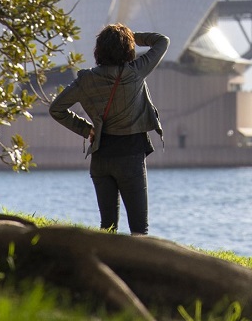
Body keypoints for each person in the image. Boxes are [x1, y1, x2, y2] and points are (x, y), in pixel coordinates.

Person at [48, 24, 170, 235]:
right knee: (139, 230)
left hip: (101, 158)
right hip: (130, 156)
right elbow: (162, 41)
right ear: (128, 49)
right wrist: (131, 36)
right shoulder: (135, 72)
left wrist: (86, 129)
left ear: (98, 50)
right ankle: (135, 268)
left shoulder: (86, 80)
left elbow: (56, 109)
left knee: (107, 228)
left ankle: (107, 262)